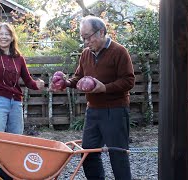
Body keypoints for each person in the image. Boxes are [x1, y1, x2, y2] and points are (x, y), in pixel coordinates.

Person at [52, 16, 135, 179]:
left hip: (115, 110)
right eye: (83, 38)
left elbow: (129, 81)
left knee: (117, 155)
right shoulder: (85, 54)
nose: (86, 42)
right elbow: (78, 78)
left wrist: (105, 88)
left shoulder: (119, 51)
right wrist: (65, 83)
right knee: (88, 153)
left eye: (88, 37)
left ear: (101, 32)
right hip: (93, 111)